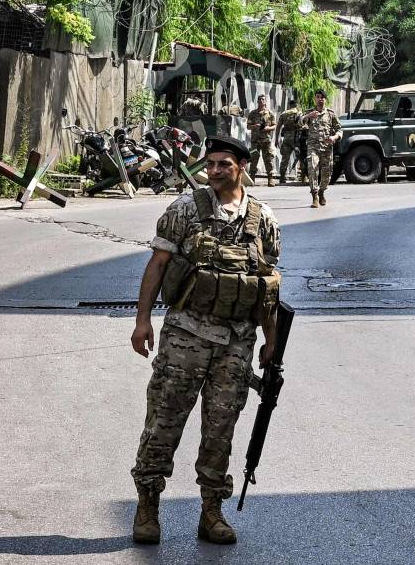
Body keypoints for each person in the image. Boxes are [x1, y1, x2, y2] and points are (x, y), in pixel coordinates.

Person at [129, 136, 281, 546]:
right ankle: (147, 506)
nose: (213, 171)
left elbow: (267, 287)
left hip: (236, 343)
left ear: (242, 167)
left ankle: (212, 512)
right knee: (164, 422)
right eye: (209, 164)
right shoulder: (184, 209)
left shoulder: (263, 219)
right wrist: (142, 322)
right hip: (186, 336)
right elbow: (157, 265)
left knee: (221, 429)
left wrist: (271, 341)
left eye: (223, 164)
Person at [301, 89, 342, 208]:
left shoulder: (330, 114)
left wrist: (334, 137)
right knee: (312, 168)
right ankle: (314, 195)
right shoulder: (310, 112)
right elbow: (299, 122)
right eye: (318, 97)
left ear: (325, 99)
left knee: (327, 173)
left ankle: (322, 191)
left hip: (326, 148)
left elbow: (340, 129)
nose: (320, 99)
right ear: (315, 98)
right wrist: (308, 116)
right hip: (313, 147)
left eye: (322, 97)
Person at [247, 95, 277, 187]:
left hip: (266, 140)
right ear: (257, 101)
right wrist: (254, 126)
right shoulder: (252, 113)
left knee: (268, 159)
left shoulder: (270, 113)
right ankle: (252, 178)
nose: (261, 101)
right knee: (253, 159)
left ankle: (270, 178)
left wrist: (268, 128)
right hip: (255, 140)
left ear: (265, 101)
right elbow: (248, 126)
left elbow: (274, 126)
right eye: (259, 99)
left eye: (263, 99)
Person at [276, 99, 302, 185]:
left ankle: (282, 177)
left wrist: (276, 139)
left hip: (286, 138)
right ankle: (304, 176)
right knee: (301, 157)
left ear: (289, 105)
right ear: (296, 105)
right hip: (297, 138)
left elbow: (278, 127)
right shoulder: (299, 113)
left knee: (285, 159)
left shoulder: (284, 114)